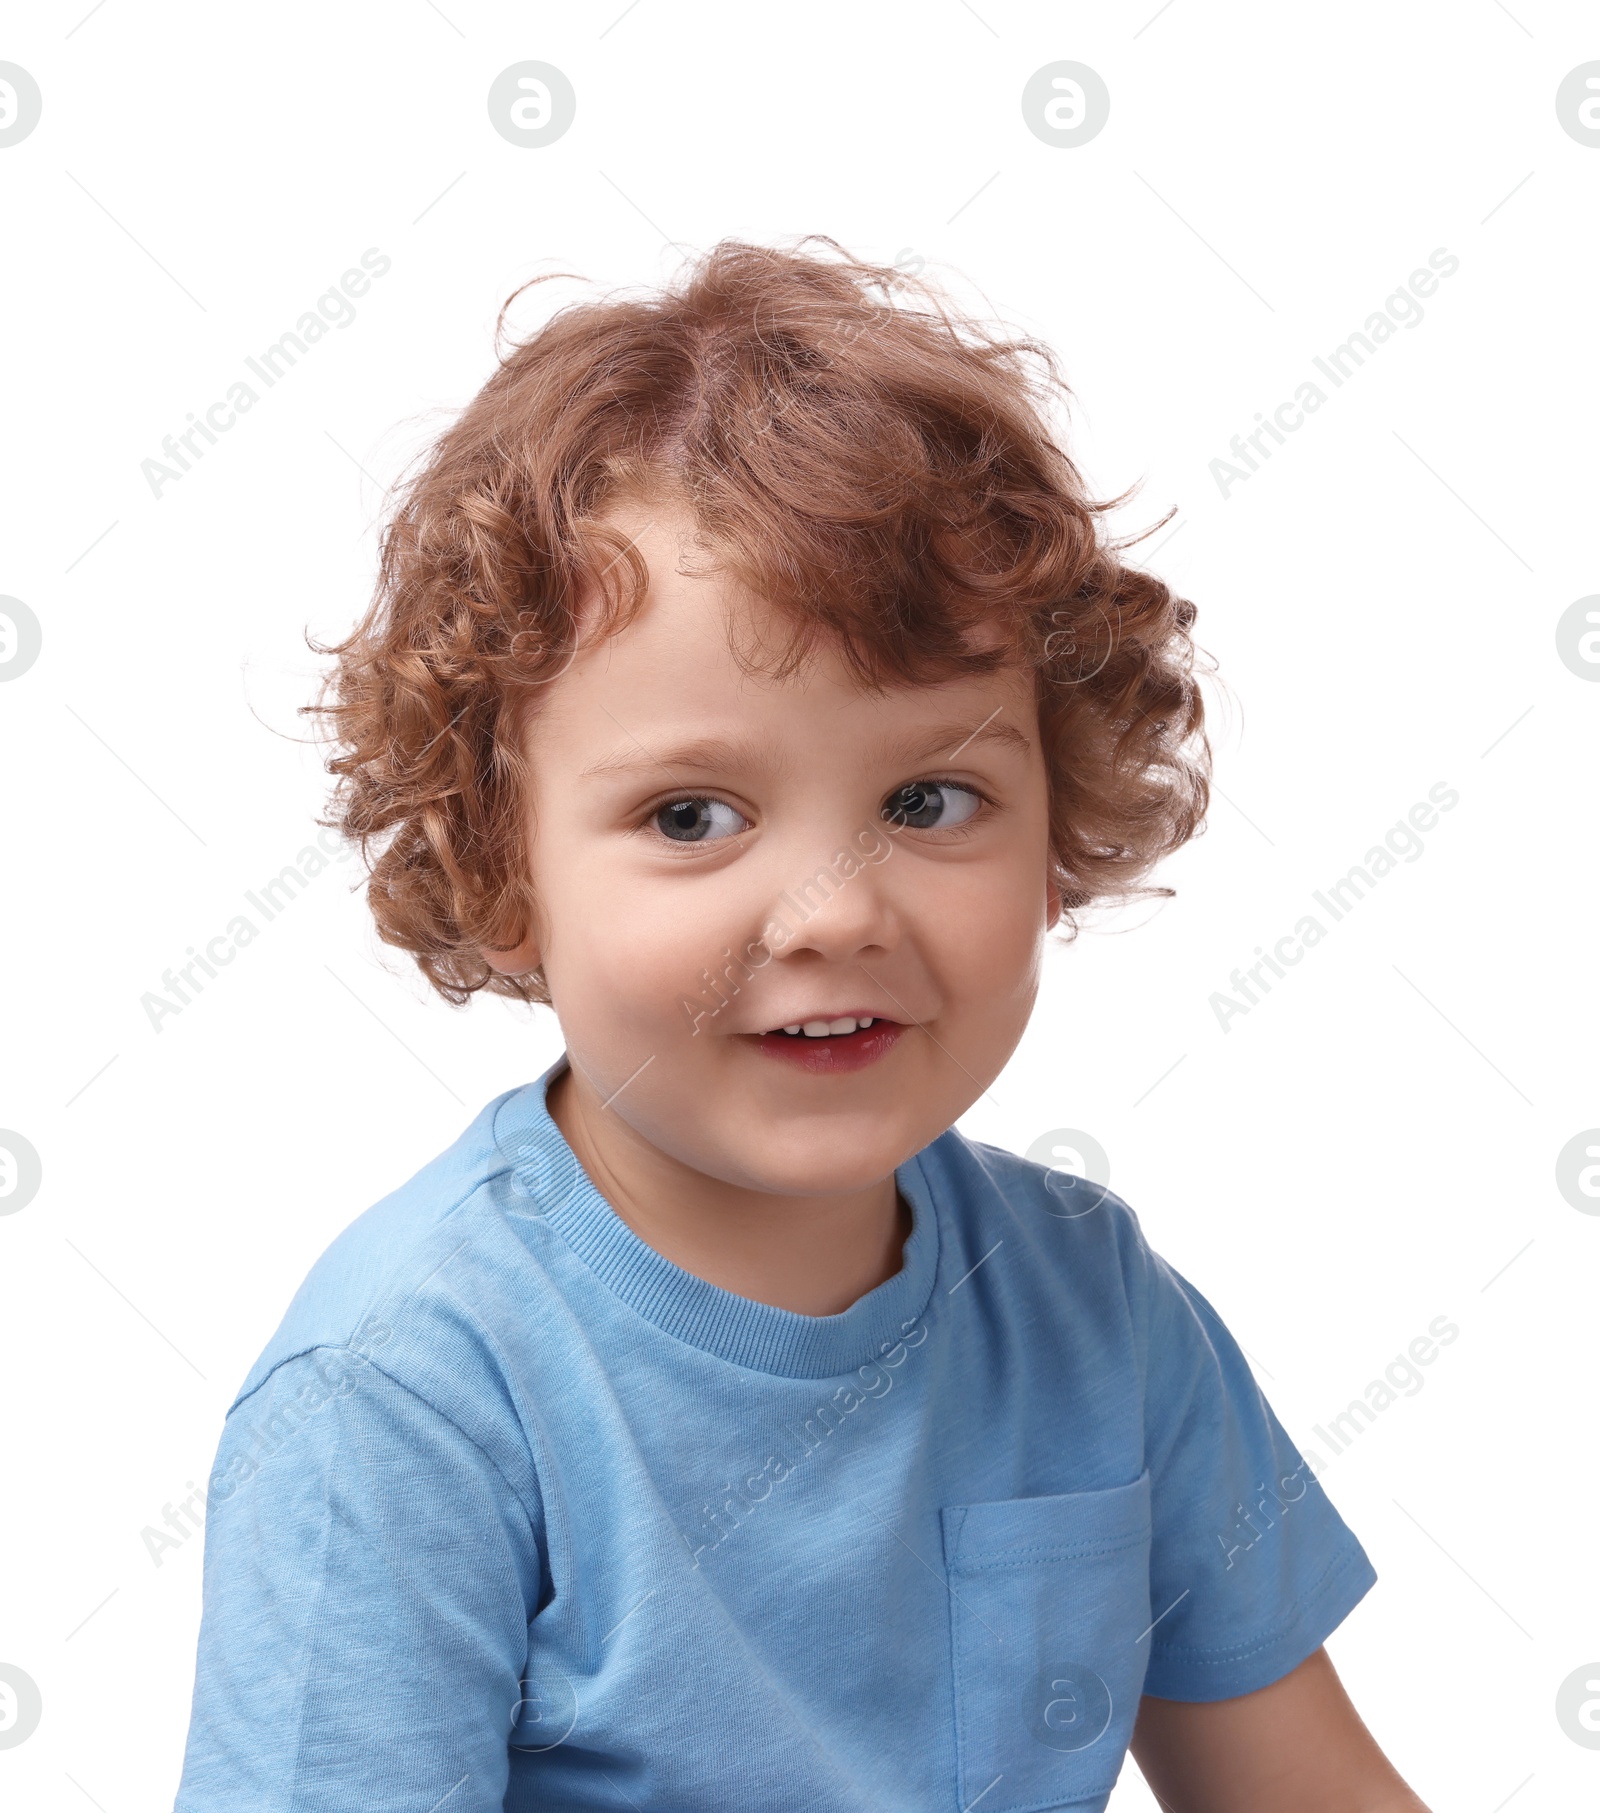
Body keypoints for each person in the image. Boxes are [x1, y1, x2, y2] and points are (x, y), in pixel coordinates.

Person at [173, 238, 1430, 1812]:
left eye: (929, 798)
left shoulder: (1094, 1312)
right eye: (692, 813)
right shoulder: (408, 1397)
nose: (834, 910)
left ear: (1059, 838)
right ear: (502, 869)